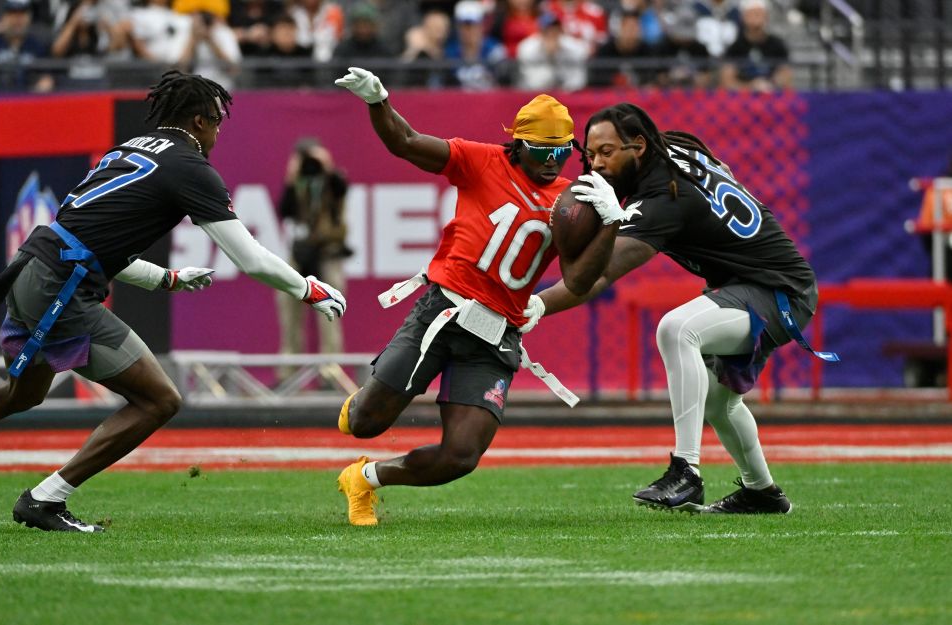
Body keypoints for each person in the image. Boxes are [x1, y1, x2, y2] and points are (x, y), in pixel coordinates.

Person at [0, 71, 347, 532]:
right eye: (218, 120)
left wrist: (165, 279)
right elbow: (251, 258)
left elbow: (85, 238)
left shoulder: (129, 149)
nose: (220, 132)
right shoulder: (191, 166)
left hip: (34, 269)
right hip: (60, 288)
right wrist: (309, 287)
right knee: (160, 399)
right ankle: (47, 498)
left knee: (22, 394)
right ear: (200, 121)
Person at [331, 66, 627, 526]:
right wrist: (378, 100)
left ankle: (366, 479)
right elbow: (407, 142)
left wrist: (610, 223)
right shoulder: (481, 160)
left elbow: (581, 279)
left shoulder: (574, 199)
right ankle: (366, 401)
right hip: (445, 311)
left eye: (561, 151)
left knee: (462, 455)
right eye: (541, 149)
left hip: (497, 334)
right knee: (364, 423)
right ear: (518, 142)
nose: (552, 160)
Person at [530, 102, 834, 514]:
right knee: (719, 403)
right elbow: (716, 169)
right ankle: (762, 493)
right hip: (759, 282)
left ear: (638, 147)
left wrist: (530, 307)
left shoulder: (663, 197)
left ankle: (685, 471)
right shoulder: (671, 148)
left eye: (606, 152)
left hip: (777, 291)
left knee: (677, 329)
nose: (596, 164)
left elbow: (596, 277)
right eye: (591, 154)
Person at [276, 137, 351, 366]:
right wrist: (291, 178)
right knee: (289, 312)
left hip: (328, 253)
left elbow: (341, 189)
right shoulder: (297, 184)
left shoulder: (333, 181)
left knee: (330, 310)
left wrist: (326, 168)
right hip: (300, 253)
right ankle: (288, 370)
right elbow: (284, 211)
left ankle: (331, 371)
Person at [0, 0, 53, 93]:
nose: (17, 20)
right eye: (12, 14)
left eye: (22, 14)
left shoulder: (36, 44)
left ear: (29, 17)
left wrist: (38, 91)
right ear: (4, 17)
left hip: (27, 101)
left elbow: (47, 78)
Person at [718, 0, 791, 92]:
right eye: (752, 13)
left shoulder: (777, 45)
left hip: (772, 97)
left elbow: (786, 76)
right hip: (742, 100)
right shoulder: (735, 47)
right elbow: (727, 82)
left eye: (759, 13)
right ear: (743, 17)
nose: (756, 17)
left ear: (766, 16)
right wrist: (750, 86)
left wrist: (770, 84)